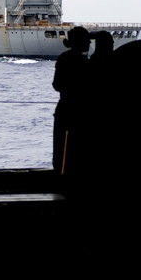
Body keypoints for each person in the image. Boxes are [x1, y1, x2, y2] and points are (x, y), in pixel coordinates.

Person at [52, 25, 92, 180]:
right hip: (80, 111)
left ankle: (59, 177)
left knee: (60, 147)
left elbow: (57, 85)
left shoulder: (63, 58)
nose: (89, 44)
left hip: (64, 108)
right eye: (87, 41)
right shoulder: (85, 62)